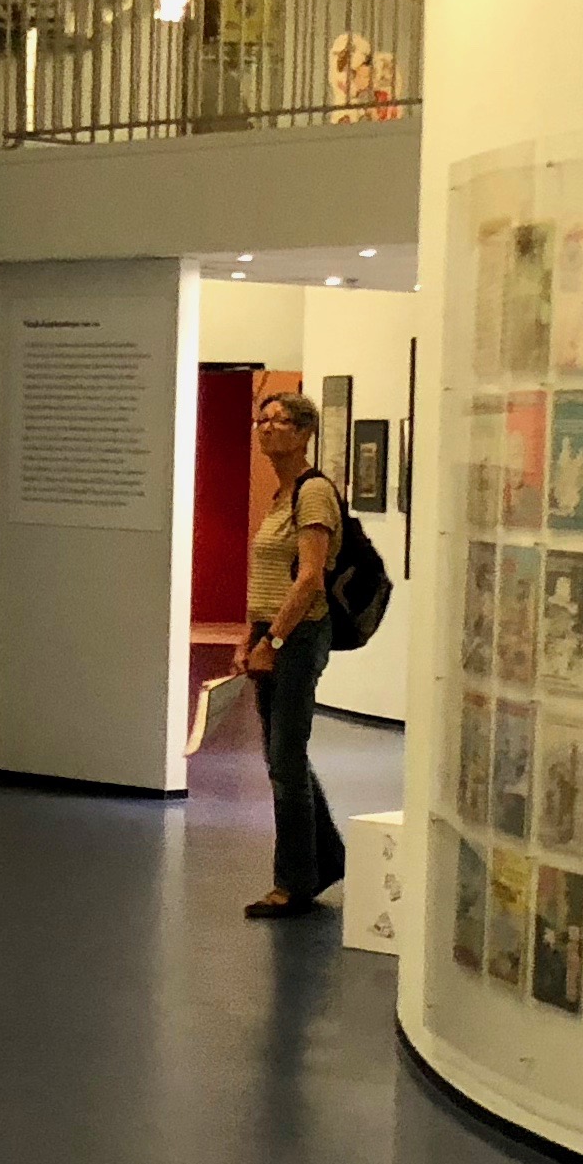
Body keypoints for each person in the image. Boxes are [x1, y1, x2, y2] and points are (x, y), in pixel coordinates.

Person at [241, 389, 345, 918]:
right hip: (273, 632)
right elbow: (267, 577)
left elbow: (308, 581)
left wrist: (273, 641)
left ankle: (293, 885)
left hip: (298, 637)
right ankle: (324, 860)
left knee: (285, 760)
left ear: (304, 433)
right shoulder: (280, 495)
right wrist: (250, 636)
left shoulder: (314, 493)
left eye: (279, 420)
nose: (266, 427)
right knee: (285, 758)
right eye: (262, 419)